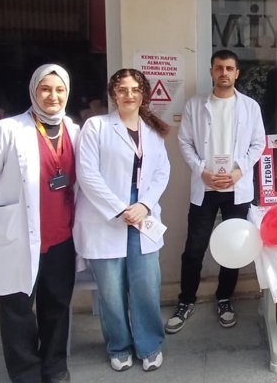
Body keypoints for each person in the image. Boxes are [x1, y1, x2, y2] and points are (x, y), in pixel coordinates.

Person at [0, 64, 79, 383]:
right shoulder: (7, 130)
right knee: (17, 310)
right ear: (34, 90)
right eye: (46, 89)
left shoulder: (74, 129)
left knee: (57, 306)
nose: (53, 96)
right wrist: (9, 210)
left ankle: (54, 367)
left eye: (59, 89)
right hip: (18, 236)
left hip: (61, 237)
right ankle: (26, 374)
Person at [74, 69, 171, 372]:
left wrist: (143, 204)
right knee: (111, 289)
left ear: (144, 94)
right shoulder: (96, 126)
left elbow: (161, 172)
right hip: (106, 214)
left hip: (143, 213)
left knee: (146, 283)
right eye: (122, 89)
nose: (129, 95)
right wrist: (120, 208)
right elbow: (87, 174)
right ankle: (118, 346)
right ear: (112, 94)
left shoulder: (153, 131)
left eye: (135, 89)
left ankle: (149, 344)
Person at [166, 49, 266, 334]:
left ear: (237, 73)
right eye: (219, 68)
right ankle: (186, 300)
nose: (224, 73)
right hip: (205, 187)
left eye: (229, 68)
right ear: (211, 71)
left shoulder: (250, 107)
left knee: (233, 248)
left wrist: (238, 171)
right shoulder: (195, 105)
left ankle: (224, 299)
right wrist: (202, 171)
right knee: (194, 249)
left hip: (238, 188)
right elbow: (184, 143)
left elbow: (257, 144)